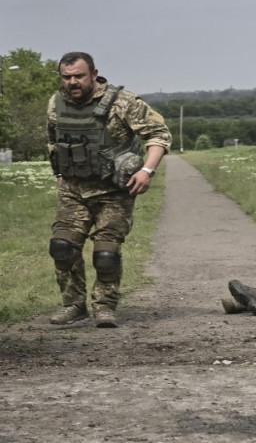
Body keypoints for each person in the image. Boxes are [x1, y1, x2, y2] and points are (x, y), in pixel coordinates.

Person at [46, 51, 172, 327]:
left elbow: (159, 135)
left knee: (106, 254)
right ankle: (74, 305)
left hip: (114, 190)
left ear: (94, 74)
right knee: (62, 247)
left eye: (78, 76)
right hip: (73, 188)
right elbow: (54, 140)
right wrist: (58, 173)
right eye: (66, 77)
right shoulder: (56, 104)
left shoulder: (122, 102)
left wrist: (146, 170)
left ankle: (104, 307)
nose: (72, 82)